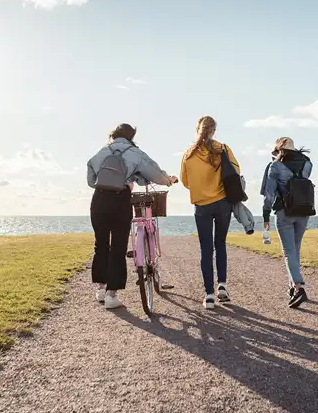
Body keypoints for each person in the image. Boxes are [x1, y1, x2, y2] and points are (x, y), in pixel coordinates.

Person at [87, 123, 178, 310]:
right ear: (131, 136)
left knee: (101, 243)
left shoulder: (102, 152)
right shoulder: (135, 153)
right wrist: (168, 180)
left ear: (113, 135)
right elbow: (155, 174)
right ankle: (112, 295)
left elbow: (90, 180)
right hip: (120, 199)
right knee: (119, 246)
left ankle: (101, 288)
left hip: (99, 199)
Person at [180, 116, 240, 309]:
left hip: (201, 205)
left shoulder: (189, 154)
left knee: (206, 249)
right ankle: (222, 285)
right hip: (222, 203)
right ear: (214, 130)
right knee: (220, 243)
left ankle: (209, 295)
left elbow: (185, 181)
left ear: (197, 129)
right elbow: (236, 172)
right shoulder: (223, 148)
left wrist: (201, 187)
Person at [262, 137, 313, 308]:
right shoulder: (307, 163)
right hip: (304, 211)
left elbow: (269, 194)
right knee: (295, 250)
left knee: (288, 251)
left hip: (284, 212)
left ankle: (299, 287)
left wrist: (266, 214)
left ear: (279, 150)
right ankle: (292, 287)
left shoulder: (275, 166)